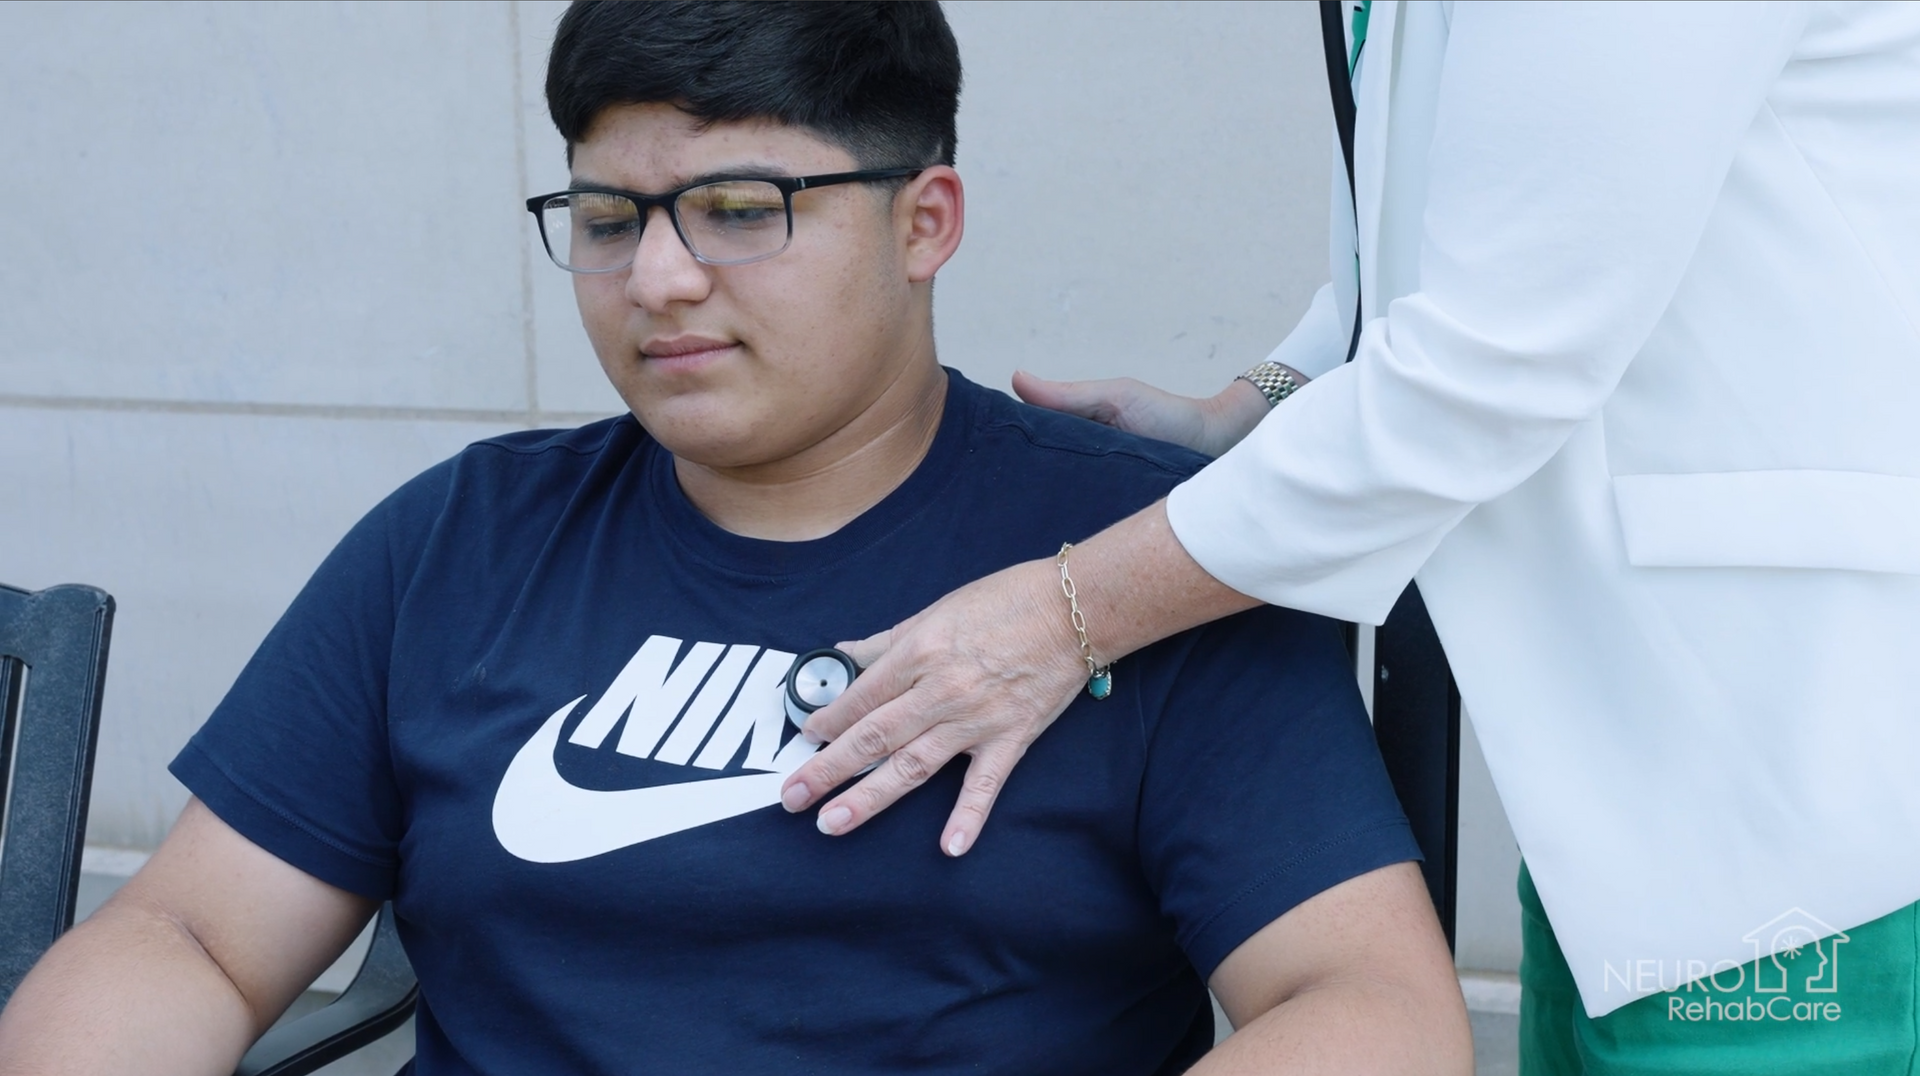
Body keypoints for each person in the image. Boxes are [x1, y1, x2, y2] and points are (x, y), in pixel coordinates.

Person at [0, 3, 1474, 1073]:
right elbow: (185, 936)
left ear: (925, 220)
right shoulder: (460, 541)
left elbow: (1371, 1012)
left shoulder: (1135, 565)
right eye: (604, 215)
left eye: (735, 209)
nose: (656, 280)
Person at [782, 2, 1920, 1073]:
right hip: (1645, 807)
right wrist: (1253, 406)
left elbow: (1494, 362)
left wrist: (1057, 616)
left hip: (1810, 809)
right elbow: (1454, 252)